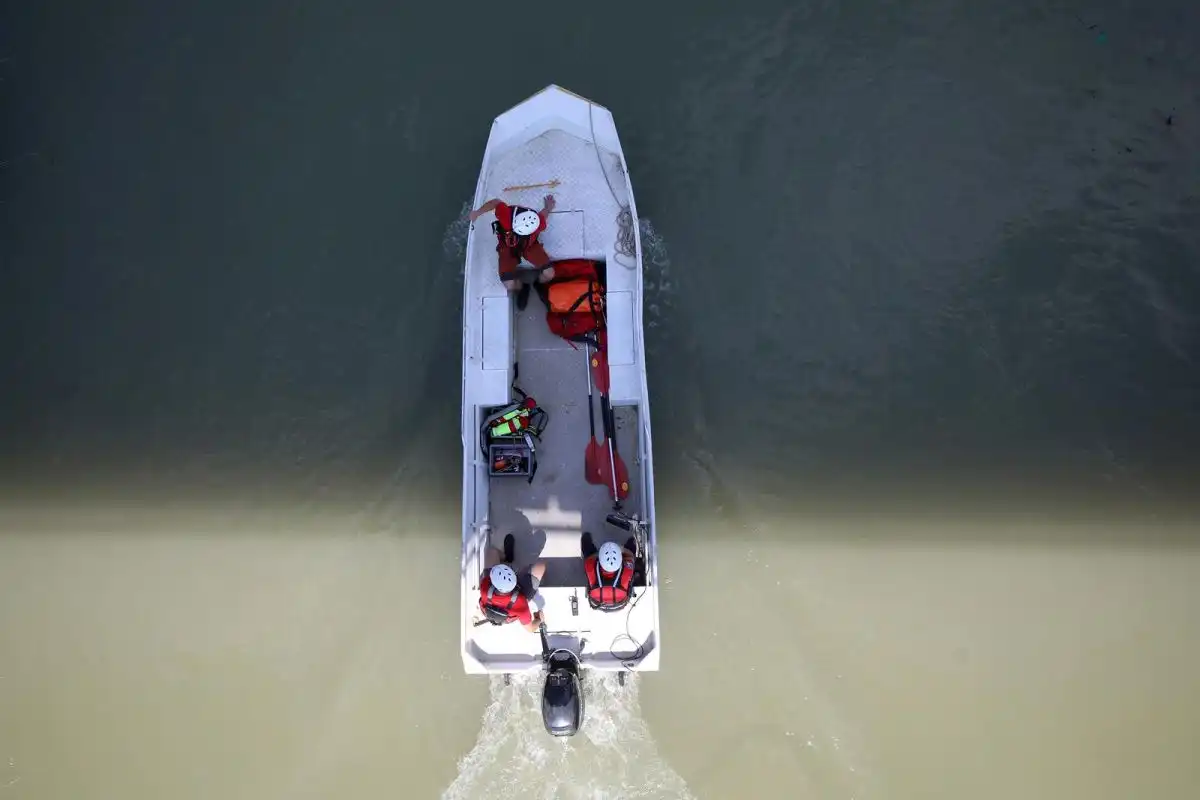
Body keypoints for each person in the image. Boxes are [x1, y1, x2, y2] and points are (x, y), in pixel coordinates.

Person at [468, 194, 558, 308]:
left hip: (529, 246)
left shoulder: (538, 222)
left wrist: (548, 208)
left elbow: (543, 215)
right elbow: (496, 202)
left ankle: (538, 284)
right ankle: (523, 287)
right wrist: (477, 212)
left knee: (549, 273)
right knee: (509, 284)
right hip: (507, 247)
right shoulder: (506, 217)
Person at [478, 533, 548, 632]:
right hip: (519, 595)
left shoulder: (485, 588)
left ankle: (506, 558)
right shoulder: (521, 603)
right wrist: (539, 619)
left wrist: (538, 619)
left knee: (491, 552)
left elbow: (531, 629)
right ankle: (518, 563)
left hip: (501, 611)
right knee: (541, 565)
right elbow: (531, 629)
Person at [580, 531, 637, 612]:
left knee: (588, 551)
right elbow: (630, 556)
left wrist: (597, 554)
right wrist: (622, 549)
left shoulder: (590, 565)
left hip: (597, 601)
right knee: (631, 548)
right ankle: (632, 540)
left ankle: (586, 538)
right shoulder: (628, 569)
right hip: (618, 601)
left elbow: (590, 557)